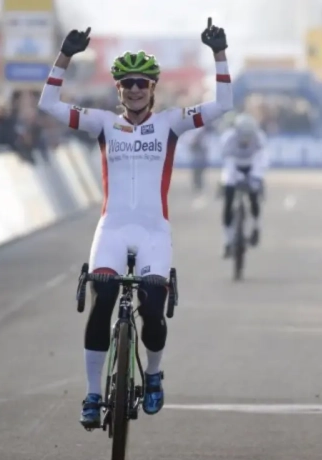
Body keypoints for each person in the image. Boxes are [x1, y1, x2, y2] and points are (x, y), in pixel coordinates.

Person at [37, 20, 233, 429]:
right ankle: (92, 394)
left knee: (152, 306)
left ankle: (155, 373)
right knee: (102, 299)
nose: (135, 89)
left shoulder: (171, 124)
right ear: (119, 90)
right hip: (112, 229)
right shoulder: (103, 123)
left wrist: (219, 55)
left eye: (142, 83)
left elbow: (222, 106)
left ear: (153, 88)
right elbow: (49, 106)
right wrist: (64, 57)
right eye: (127, 84)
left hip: (153, 232)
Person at [219, 113, 268, 256]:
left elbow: (262, 158)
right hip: (233, 167)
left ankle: (256, 226)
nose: (246, 140)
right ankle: (227, 240)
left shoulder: (259, 137)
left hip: (252, 166)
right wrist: (233, 179)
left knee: (254, 197)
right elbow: (227, 162)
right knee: (228, 201)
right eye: (243, 136)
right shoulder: (228, 138)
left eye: (249, 136)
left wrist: (256, 177)